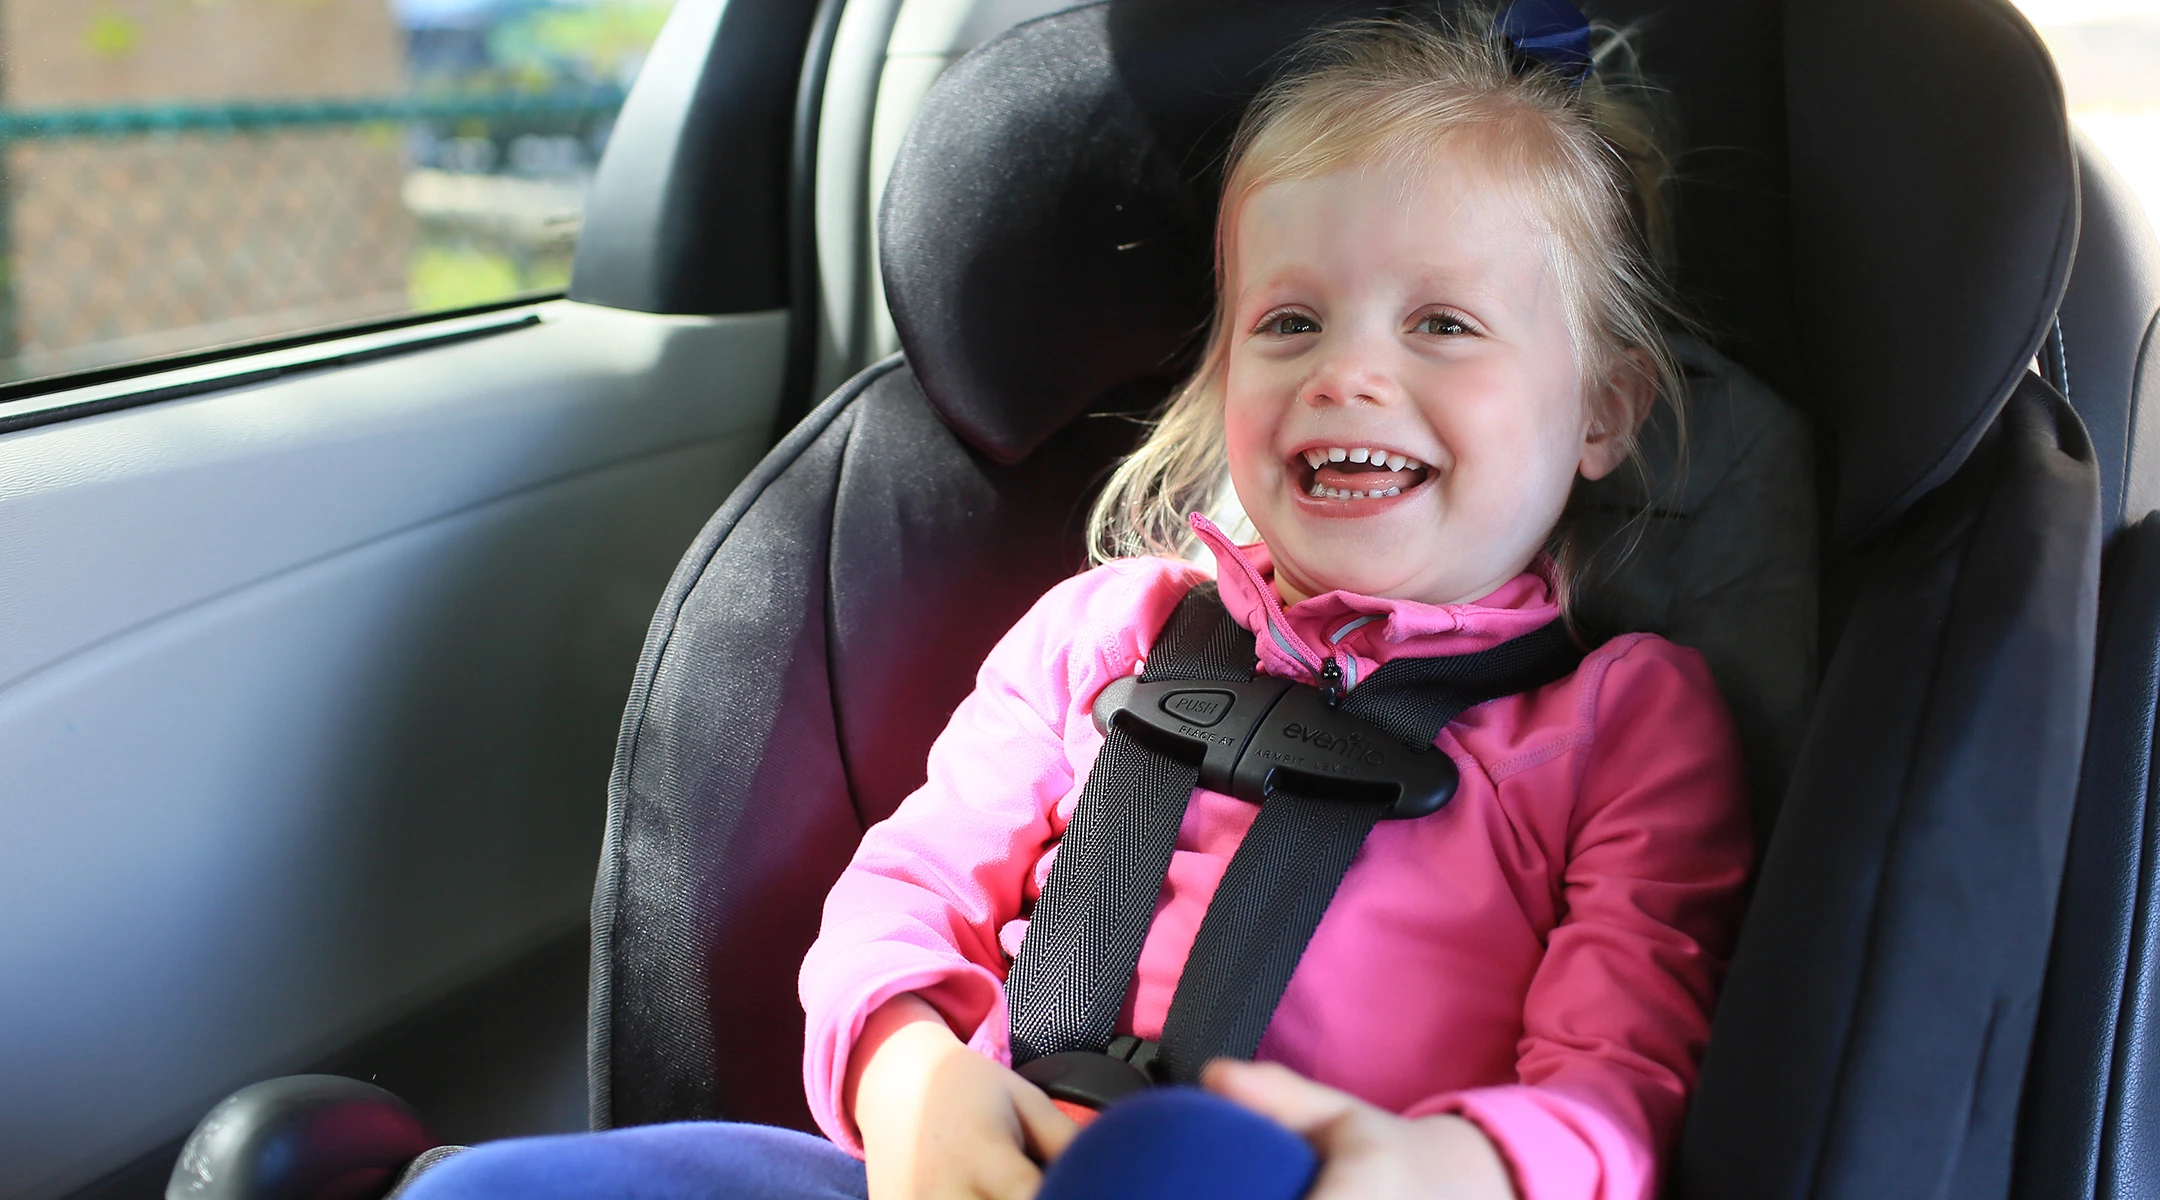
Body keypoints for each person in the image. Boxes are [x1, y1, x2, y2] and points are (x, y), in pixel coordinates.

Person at [401, 5, 1750, 1200]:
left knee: (1185, 1164)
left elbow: (1621, 1081)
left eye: (1444, 324)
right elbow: (907, 892)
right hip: (973, 1170)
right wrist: (907, 1075)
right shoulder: (1104, 635)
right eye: (1288, 323)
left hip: (1290, 1177)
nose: (1348, 374)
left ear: (1604, 411)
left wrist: (1454, 1168)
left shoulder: (1624, 720)